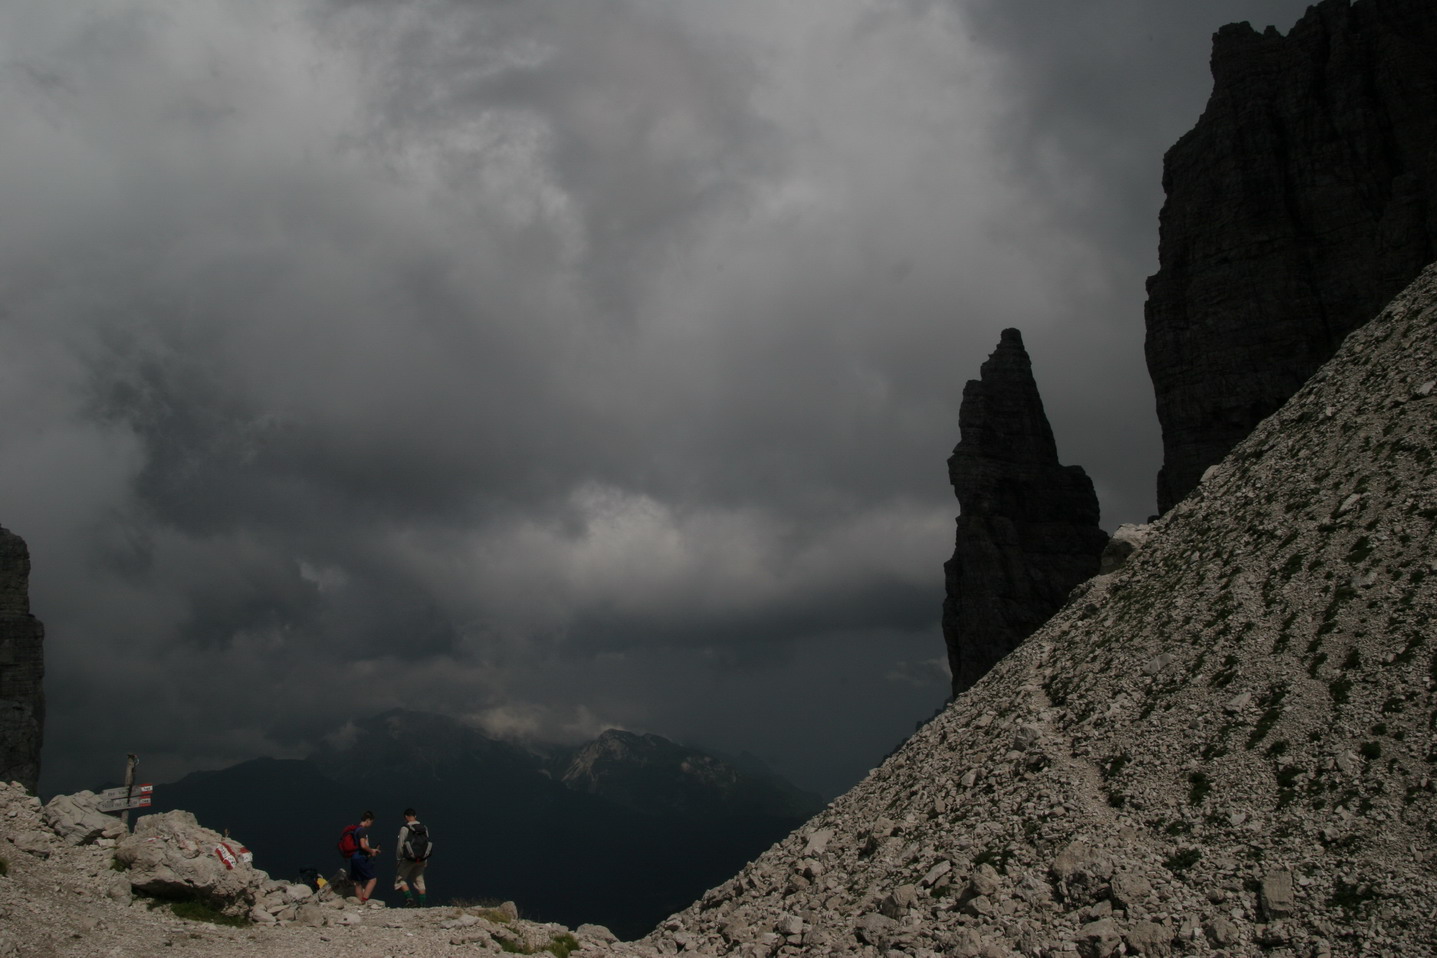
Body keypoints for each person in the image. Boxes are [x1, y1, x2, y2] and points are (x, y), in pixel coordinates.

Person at [394, 807, 432, 906]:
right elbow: (425, 843)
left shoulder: (405, 828)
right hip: (422, 859)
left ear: (406, 817)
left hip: (408, 858)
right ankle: (422, 903)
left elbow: (400, 845)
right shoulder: (424, 827)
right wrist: (426, 859)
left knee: (400, 880)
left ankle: (409, 900)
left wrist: (398, 859)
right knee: (419, 880)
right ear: (415, 816)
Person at [348, 811, 380, 903]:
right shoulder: (362, 830)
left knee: (357, 881)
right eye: (371, 822)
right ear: (368, 820)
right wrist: (372, 851)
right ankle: (365, 900)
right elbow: (363, 845)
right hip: (360, 858)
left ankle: (359, 901)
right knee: (372, 879)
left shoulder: (356, 830)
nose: (371, 824)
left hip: (354, 857)